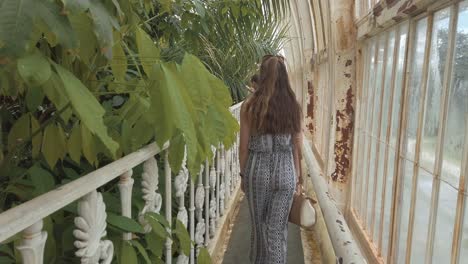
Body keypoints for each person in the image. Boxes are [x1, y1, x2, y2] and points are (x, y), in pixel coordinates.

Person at [238, 55, 303, 264]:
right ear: (285, 78)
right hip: (286, 173)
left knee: (259, 229)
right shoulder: (293, 106)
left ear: (262, 76)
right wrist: (298, 176)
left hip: (257, 172)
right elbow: (296, 146)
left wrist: (243, 175)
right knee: (277, 230)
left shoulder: (249, 106)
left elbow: (243, 146)